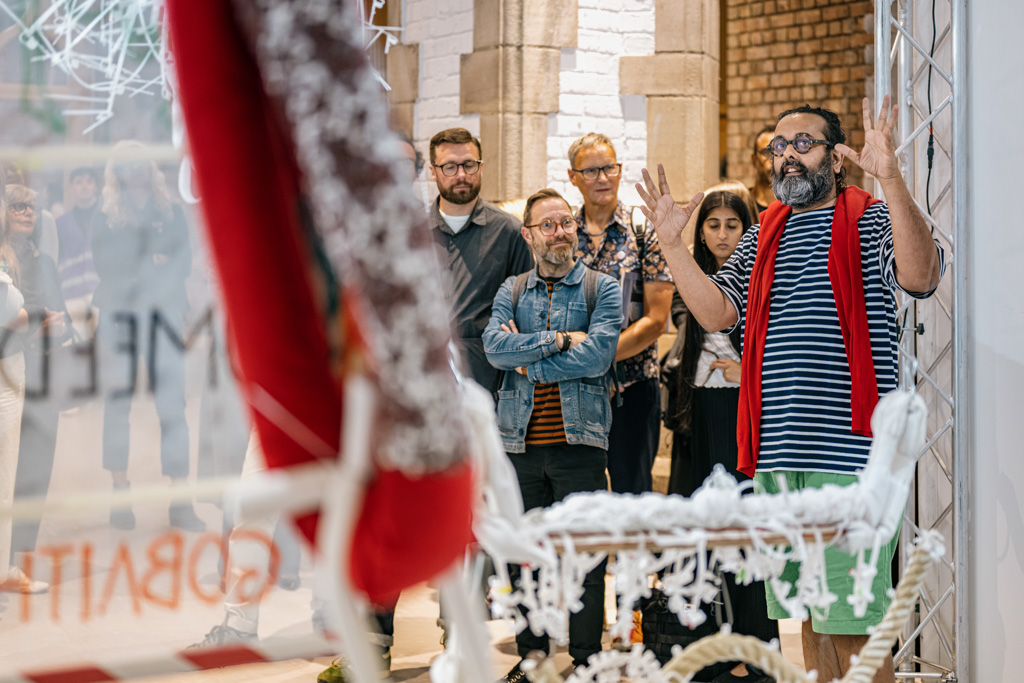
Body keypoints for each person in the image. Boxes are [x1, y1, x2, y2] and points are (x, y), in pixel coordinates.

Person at [638, 97, 944, 683]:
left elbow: (921, 276)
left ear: (836, 158)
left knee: (855, 628)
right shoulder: (761, 236)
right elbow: (717, 314)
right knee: (806, 621)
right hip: (779, 455)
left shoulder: (871, 218)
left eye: (804, 143)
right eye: (779, 146)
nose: (788, 156)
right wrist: (673, 246)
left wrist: (892, 179)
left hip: (850, 455)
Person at [483, 188, 622, 682]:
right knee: (526, 560)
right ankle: (533, 659)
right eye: (548, 224)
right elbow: (494, 348)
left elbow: (598, 356)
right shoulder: (512, 290)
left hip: (579, 444)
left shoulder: (602, 288)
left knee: (585, 556)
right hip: (518, 445)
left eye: (566, 222)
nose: (560, 231)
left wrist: (529, 364)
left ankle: (587, 659)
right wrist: (559, 339)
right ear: (528, 235)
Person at [661, 190, 778, 683]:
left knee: (744, 531)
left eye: (734, 224)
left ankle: (758, 654)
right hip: (696, 414)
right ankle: (703, 651)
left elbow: (779, 344)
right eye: (714, 224)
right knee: (696, 535)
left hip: (741, 412)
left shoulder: (762, 273)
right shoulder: (689, 277)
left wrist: (746, 371)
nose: (723, 234)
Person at [92, 140, 203, 532]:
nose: (135, 170)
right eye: (126, 164)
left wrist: (147, 267)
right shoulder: (105, 214)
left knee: (173, 408)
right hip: (119, 317)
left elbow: (183, 262)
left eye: (140, 163)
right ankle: (119, 496)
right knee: (117, 407)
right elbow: (104, 265)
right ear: (116, 172)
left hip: (164, 316)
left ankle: (180, 501)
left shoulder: (169, 210)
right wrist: (152, 262)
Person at [566, 132, 673, 495]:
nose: (602, 178)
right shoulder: (564, 234)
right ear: (573, 176)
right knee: (579, 494)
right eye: (591, 170)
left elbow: (656, 320)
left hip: (633, 388)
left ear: (620, 169)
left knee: (634, 494)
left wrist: (596, 358)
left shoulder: (644, 231)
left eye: (609, 168)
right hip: (575, 392)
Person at [428, 127, 534, 396]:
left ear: (481, 166)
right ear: (433, 172)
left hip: (487, 384)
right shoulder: (412, 232)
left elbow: (526, 312)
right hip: (424, 381)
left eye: (469, 165)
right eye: (450, 167)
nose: (461, 175)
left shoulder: (510, 232)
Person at [4, 185, 72, 592]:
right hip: (9, 376)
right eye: (18, 206)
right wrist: (34, 326)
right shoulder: (2, 262)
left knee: (35, 471)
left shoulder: (44, 261)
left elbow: (63, 315)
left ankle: (17, 563)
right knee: (6, 471)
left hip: (43, 377)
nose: (28, 213)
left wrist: (61, 325)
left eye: (32, 207)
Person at [55, 166, 102, 327]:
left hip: (101, 292)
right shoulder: (59, 224)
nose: (84, 186)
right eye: (79, 182)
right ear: (71, 187)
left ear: (96, 186)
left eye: (89, 181)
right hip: (71, 295)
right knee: (77, 341)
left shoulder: (107, 216)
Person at [748, 124, 777, 215]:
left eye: (779, 151)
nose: (773, 158)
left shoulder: (795, 205)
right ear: (754, 160)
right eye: (766, 152)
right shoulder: (744, 203)